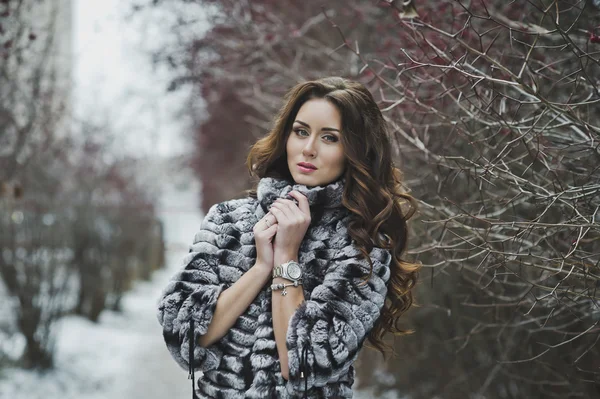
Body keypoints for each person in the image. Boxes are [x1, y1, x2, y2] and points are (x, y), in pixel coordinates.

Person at [157, 76, 420, 398]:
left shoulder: (363, 245)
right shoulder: (229, 220)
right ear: (286, 136)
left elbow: (304, 364)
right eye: (301, 132)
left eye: (329, 138)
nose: (308, 149)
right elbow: (184, 338)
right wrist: (259, 268)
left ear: (355, 150)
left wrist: (286, 258)